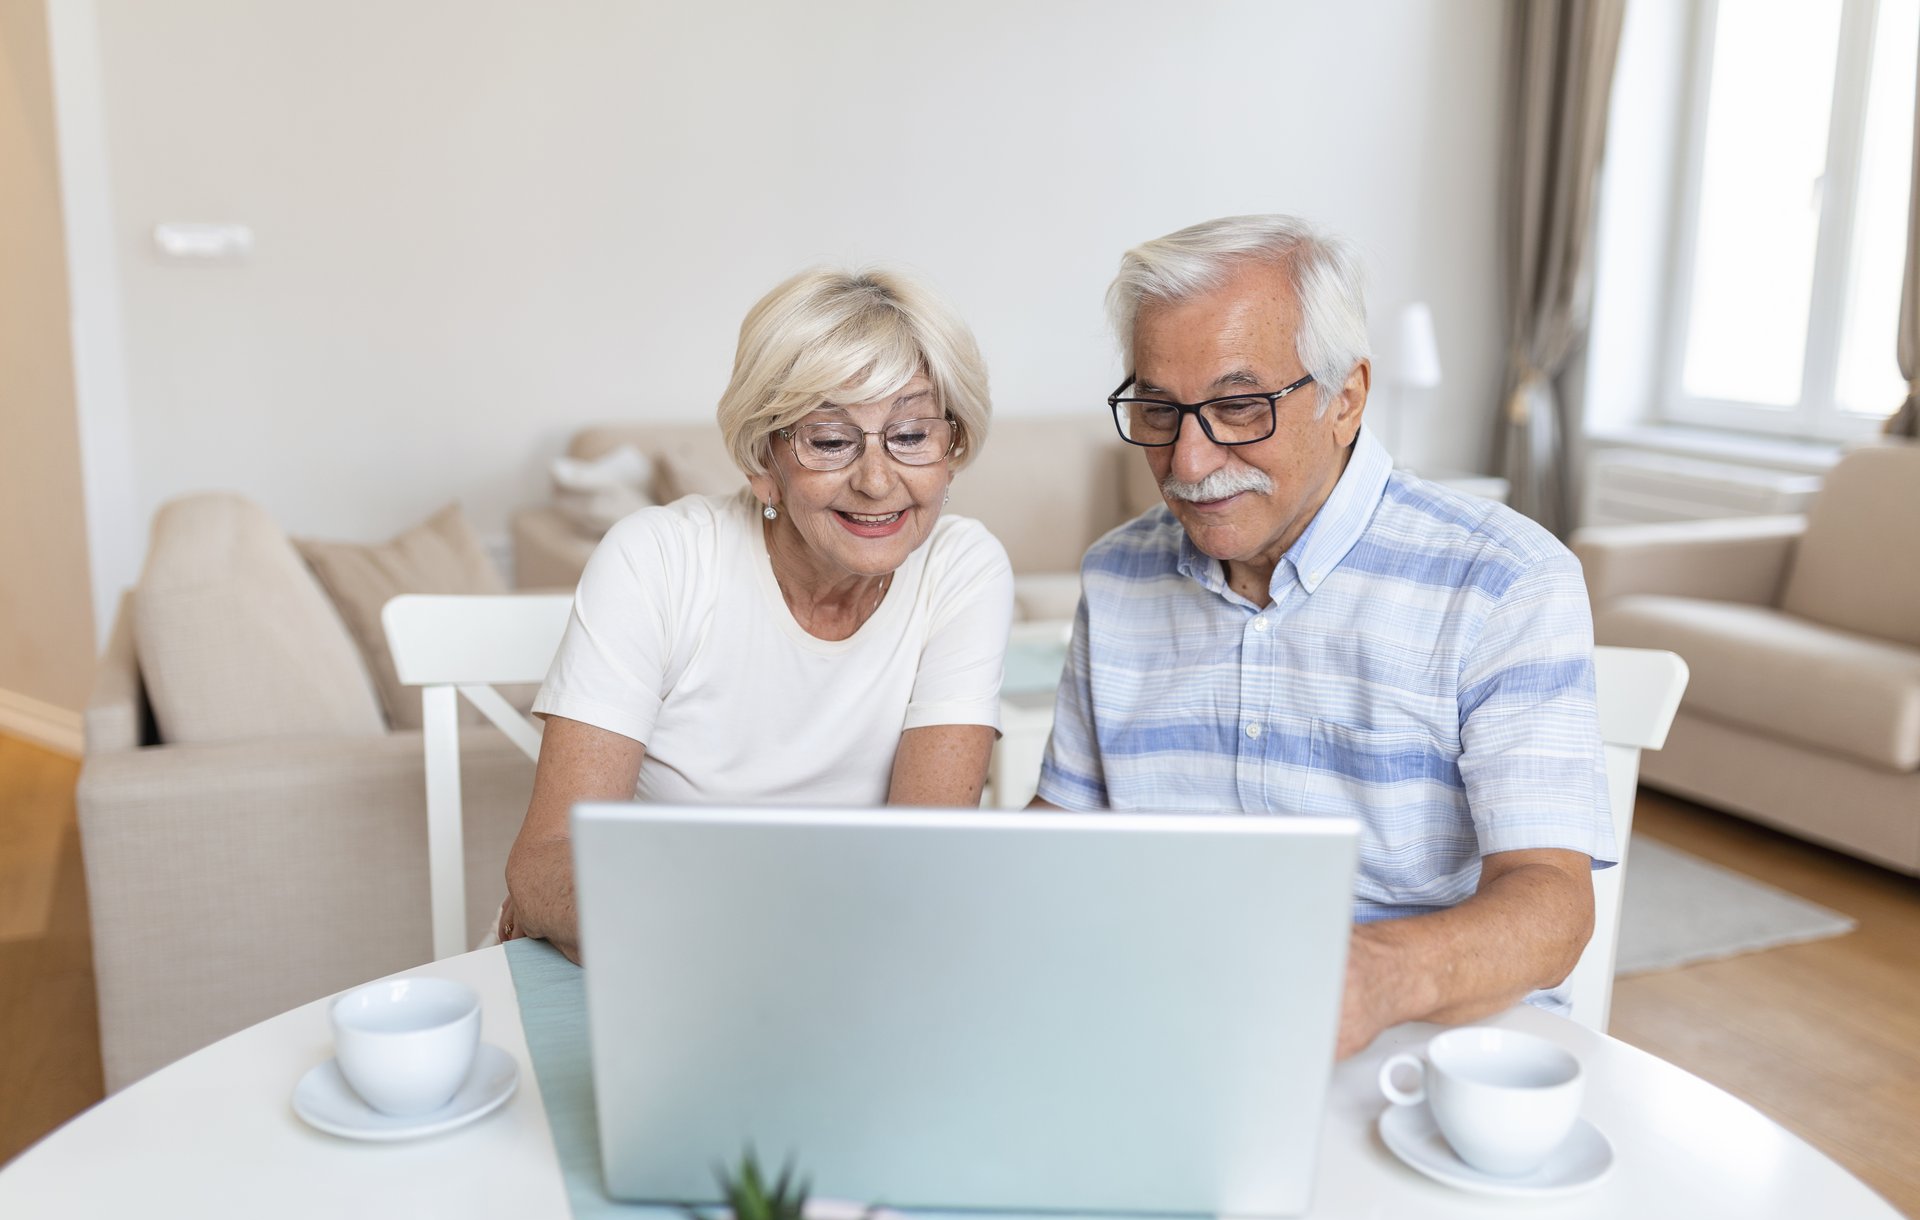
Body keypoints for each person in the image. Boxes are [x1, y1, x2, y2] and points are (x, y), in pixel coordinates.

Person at [1034, 214, 1612, 1058]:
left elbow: (1553, 906)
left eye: (1237, 406)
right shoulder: (1117, 577)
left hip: (1424, 1050)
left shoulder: (1505, 580)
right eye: (1158, 409)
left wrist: (1372, 978)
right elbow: (1062, 844)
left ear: (1346, 399)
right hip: (1164, 1030)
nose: (1188, 463)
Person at [502, 266, 1015, 962]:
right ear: (762, 460)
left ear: (951, 451)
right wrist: (820, 913)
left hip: (836, 975)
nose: (875, 479)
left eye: (912, 435)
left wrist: (641, 905)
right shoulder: (657, 559)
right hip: (662, 975)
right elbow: (541, 872)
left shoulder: (962, 570)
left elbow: (920, 875)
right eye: (831, 440)